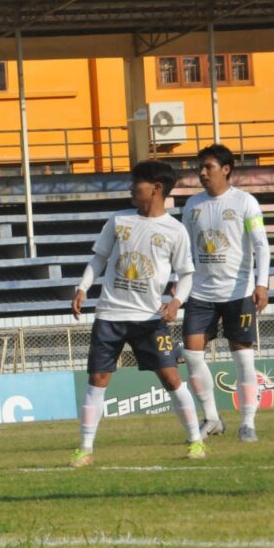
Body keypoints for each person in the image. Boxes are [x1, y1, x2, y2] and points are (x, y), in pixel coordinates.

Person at [70, 160, 204, 467]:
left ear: (156, 188)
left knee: (170, 377)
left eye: (136, 182)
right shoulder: (118, 220)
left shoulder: (175, 231)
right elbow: (99, 258)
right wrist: (82, 287)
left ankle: (196, 441)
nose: (131, 187)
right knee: (97, 378)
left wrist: (176, 302)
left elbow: (186, 274)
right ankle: (85, 449)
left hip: (150, 320)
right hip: (110, 315)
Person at [181, 144, 270, 443]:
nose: (202, 173)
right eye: (200, 168)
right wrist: (180, 280)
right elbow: (184, 250)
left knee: (243, 359)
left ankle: (248, 423)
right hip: (201, 293)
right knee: (191, 354)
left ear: (226, 169)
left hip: (239, 292)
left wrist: (261, 283)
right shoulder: (192, 205)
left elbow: (261, 245)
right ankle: (212, 418)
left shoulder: (245, 202)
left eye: (208, 167)